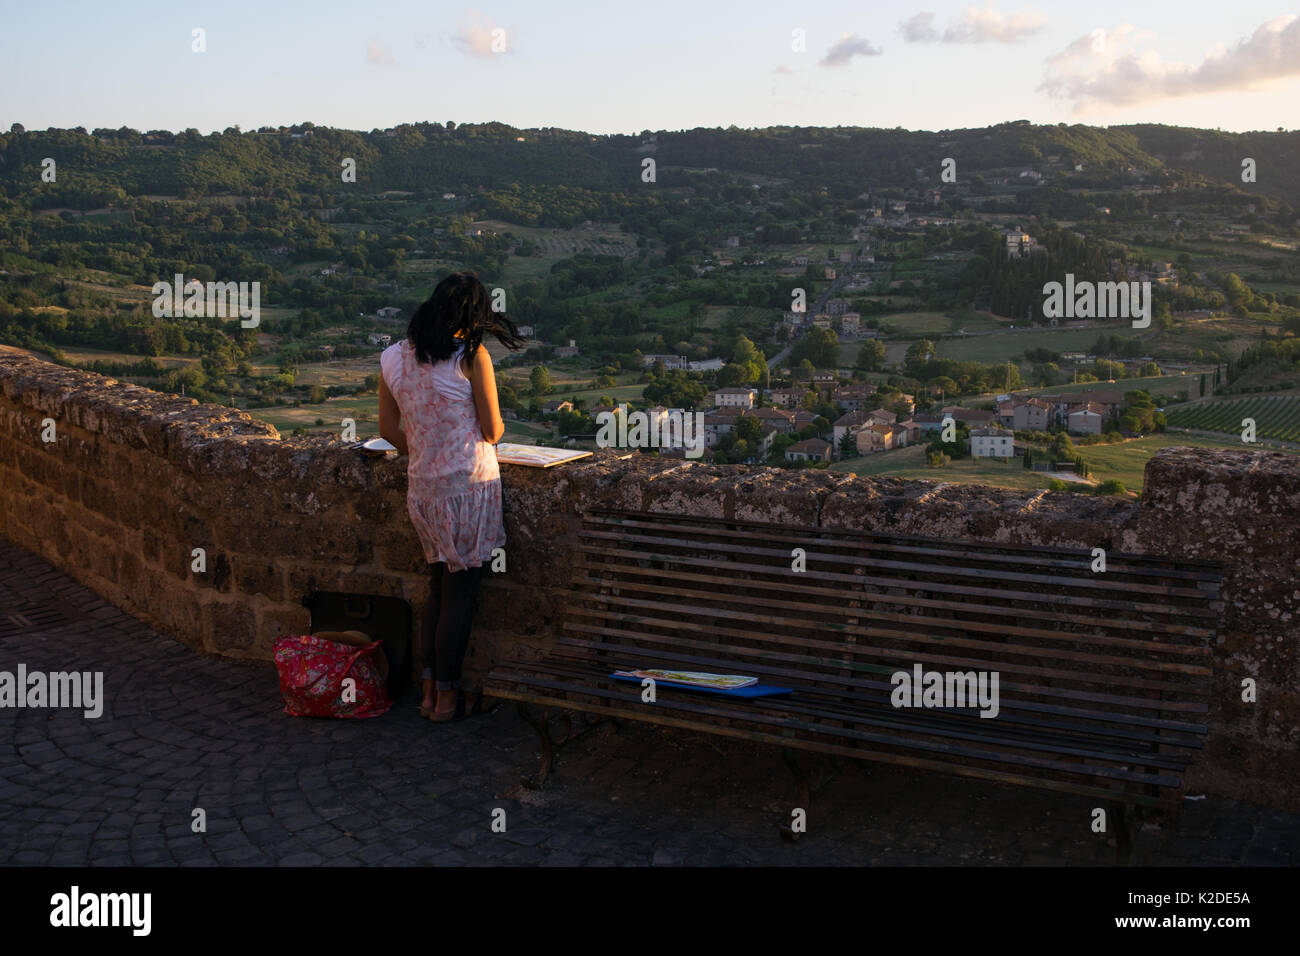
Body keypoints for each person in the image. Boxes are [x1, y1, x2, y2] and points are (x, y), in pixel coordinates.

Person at [377, 272, 525, 721]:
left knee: (438, 588)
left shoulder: (392, 358)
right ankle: (447, 696)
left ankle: (427, 690)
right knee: (461, 594)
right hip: (468, 488)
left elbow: (388, 430)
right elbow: (493, 430)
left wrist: (423, 448)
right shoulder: (472, 357)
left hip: (423, 489)